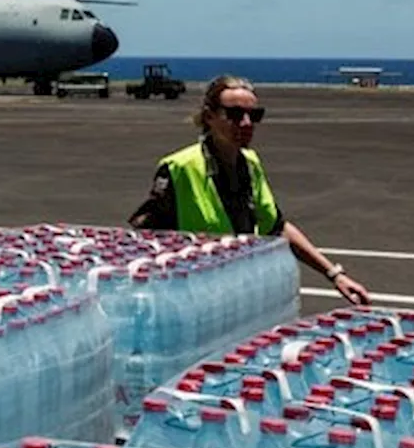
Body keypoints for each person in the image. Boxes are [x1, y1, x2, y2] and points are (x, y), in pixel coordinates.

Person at [128, 74, 372, 305]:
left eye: (254, 115)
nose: (245, 123)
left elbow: (276, 226)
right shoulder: (179, 168)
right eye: (234, 115)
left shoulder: (250, 163)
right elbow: (145, 241)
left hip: (241, 296)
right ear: (209, 116)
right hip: (195, 302)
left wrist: (334, 274)